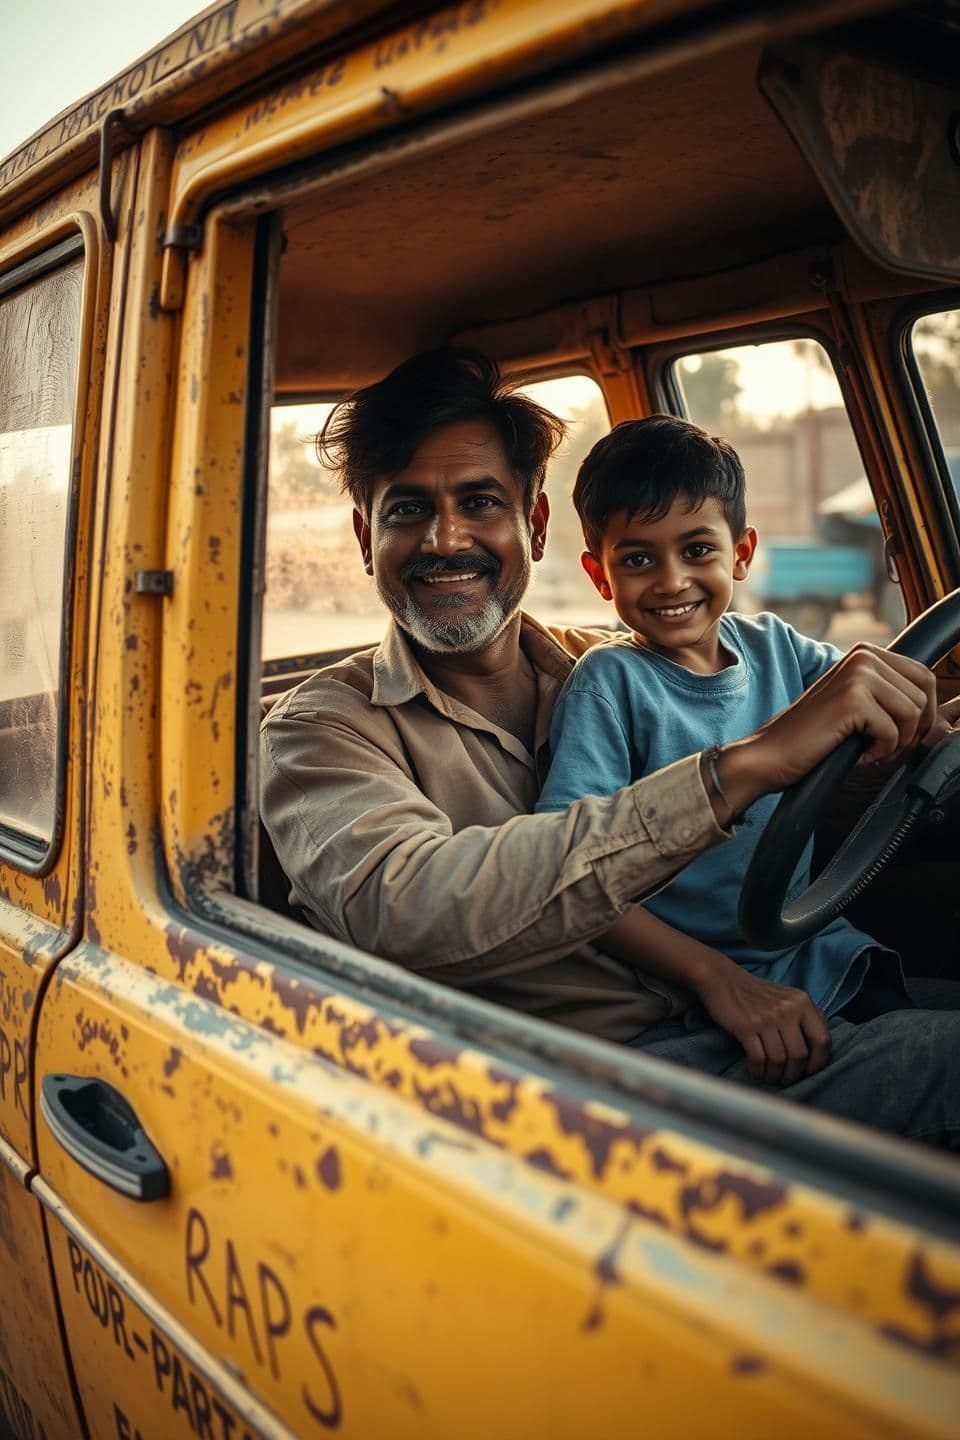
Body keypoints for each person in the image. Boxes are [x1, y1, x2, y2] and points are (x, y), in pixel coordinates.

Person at [260, 347, 960, 1148]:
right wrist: (739, 771)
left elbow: (825, 721)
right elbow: (411, 906)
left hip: (773, 989)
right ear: (365, 536)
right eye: (407, 510)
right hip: (588, 1087)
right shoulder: (320, 729)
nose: (444, 538)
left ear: (534, 523)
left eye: (479, 502)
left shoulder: (620, 657)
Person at [536, 414, 959, 1097]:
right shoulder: (610, 686)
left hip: (819, 945)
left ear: (740, 552)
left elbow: (889, 697)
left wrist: (933, 732)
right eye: (638, 558)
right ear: (599, 574)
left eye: (696, 550)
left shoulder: (778, 647)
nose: (672, 581)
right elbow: (575, 882)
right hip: (710, 989)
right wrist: (716, 979)